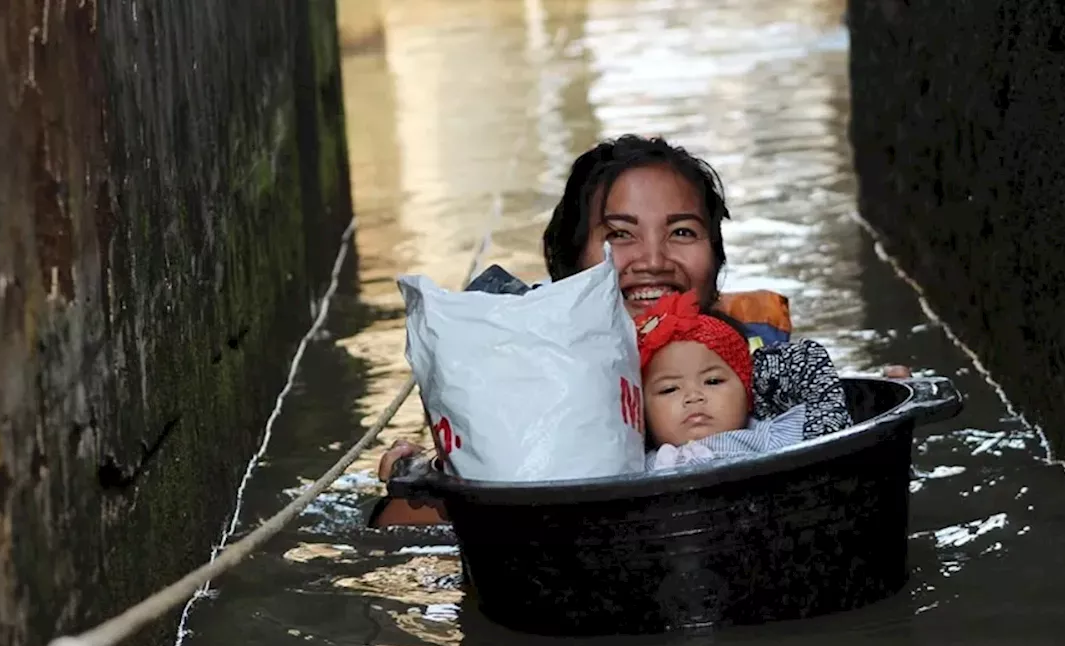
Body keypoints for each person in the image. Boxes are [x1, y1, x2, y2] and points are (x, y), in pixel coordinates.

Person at [367, 135, 910, 527]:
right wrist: (436, 474)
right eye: (619, 235)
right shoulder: (518, 388)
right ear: (568, 266)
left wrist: (880, 425)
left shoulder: (759, 368)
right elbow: (394, 530)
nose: (653, 260)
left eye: (682, 231)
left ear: (716, 260)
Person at [635, 291, 849, 470]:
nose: (693, 397)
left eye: (712, 381)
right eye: (669, 389)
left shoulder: (771, 436)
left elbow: (831, 422)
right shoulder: (635, 463)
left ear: (747, 393)